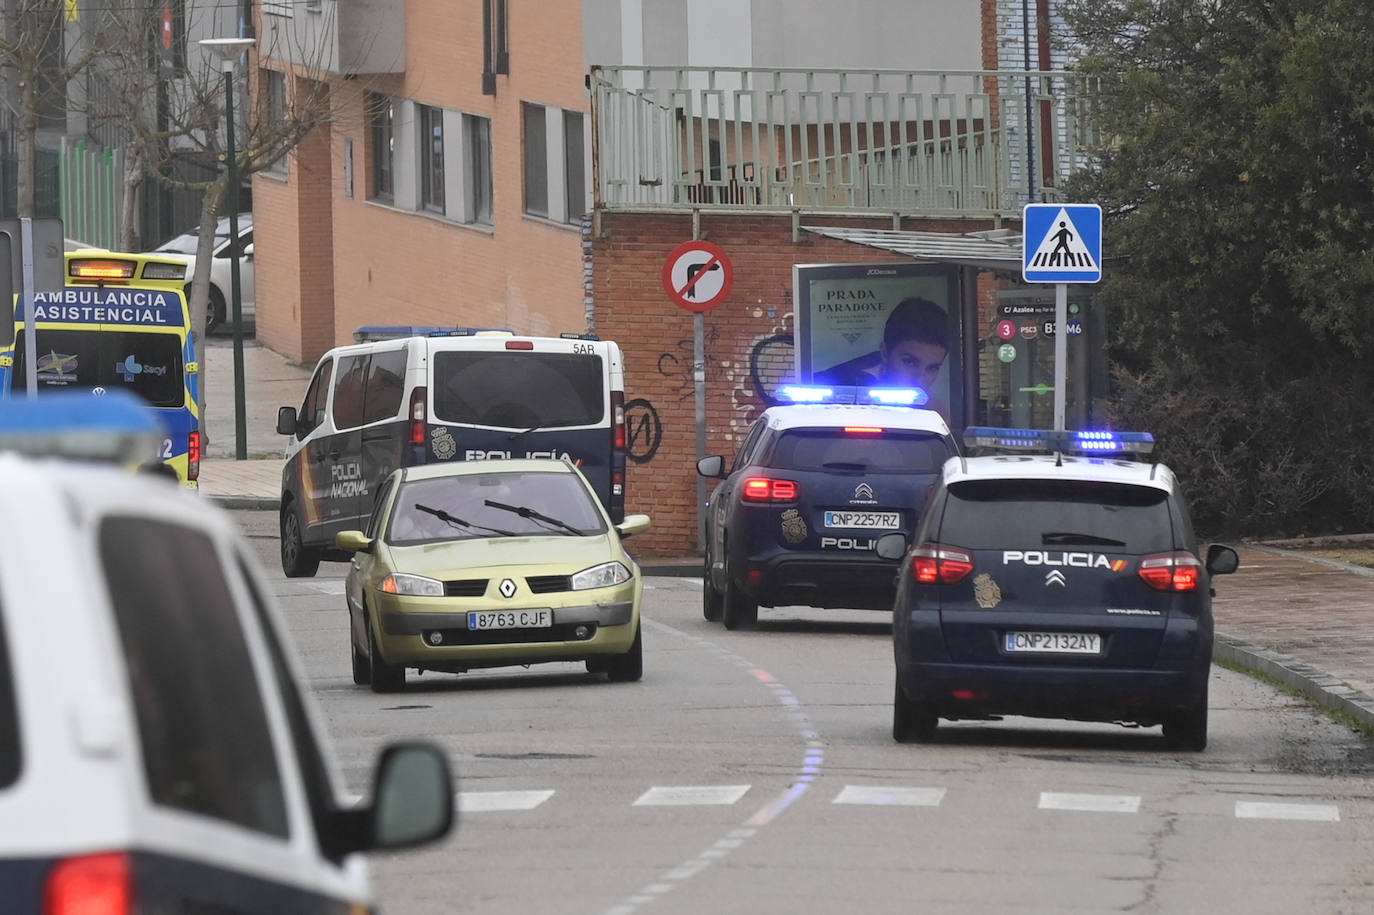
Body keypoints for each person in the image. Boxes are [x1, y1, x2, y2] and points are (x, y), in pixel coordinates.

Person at [814, 296, 950, 416]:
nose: (919, 380)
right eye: (910, 362)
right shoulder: (832, 388)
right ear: (884, 353)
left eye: (932, 368)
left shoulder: (933, 411)